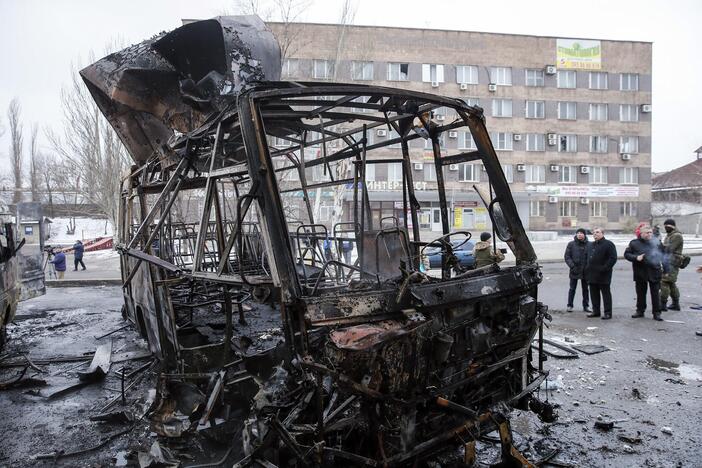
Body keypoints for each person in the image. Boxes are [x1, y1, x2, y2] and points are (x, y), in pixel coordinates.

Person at [624, 225, 665, 321]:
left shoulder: (657, 243)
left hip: (654, 271)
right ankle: (640, 310)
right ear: (641, 233)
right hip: (640, 272)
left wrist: (666, 269)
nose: (649, 234)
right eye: (647, 232)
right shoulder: (634, 243)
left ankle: (657, 313)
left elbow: (664, 255)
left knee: (655, 294)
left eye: (650, 232)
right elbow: (627, 254)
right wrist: (636, 258)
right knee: (641, 293)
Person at [585, 227, 617, 320]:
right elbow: (587, 257)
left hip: (604, 274)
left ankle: (608, 312)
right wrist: (587, 268)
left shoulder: (609, 244)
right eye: (594, 233)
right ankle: (596, 311)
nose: (595, 234)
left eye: (597, 232)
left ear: (602, 233)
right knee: (594, 294)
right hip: (592, 273)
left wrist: (605, 268)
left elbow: (613, 258)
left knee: (606, 294)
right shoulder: (591, 245)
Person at [564, 228, 591, 313]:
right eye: (578, 233)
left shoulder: (589, 244)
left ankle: (586, 306)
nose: (579, 234)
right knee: (572, 288)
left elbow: (591, 257)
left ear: (584, 235)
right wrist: (572, 266)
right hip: (574, 270)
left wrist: (588, 267)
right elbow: (567, 257)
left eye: (581, 233)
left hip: (585, 271)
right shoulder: (571, 244)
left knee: (585, 289)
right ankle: (569, 305)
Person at [660, 218, 683, 311]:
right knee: (671, 283)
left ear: (673, 226)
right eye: (665, 226)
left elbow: (669, 249)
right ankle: (675, 304)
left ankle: (662, 304)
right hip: (669, 261)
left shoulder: (677, 236)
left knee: (664, 282)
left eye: (668, 226)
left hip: (672, 262)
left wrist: (660, 246)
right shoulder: (670, 235)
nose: (666, 227)